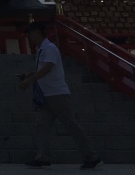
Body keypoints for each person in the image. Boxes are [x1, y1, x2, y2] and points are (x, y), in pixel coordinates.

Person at [18, 21, 102, 170]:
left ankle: (92, 156)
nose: (29, 37)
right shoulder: (41, 49)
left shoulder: (49, 48)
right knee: (42, 126)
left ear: (37, 32)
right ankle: (42, 157)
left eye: (30, 33)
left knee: (72, 126)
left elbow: (49, 67)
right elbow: (43, 68)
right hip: (46, 95)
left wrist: (30, 80)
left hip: (57, 94)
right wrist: (28, 74)